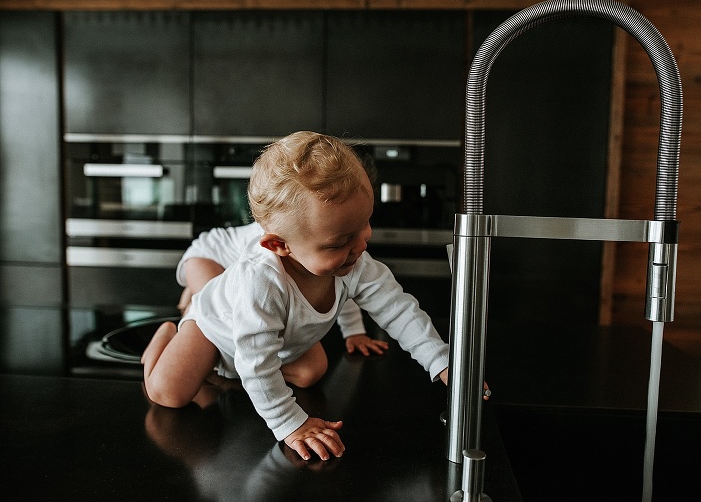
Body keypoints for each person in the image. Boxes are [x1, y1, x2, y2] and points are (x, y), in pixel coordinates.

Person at [142, 131, 472, 462]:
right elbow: (257, 361)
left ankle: (229, 376)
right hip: (215, 331)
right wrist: (290, 424)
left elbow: (398, 310)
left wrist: (441, 361)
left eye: (365, 225)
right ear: (278, 245)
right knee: (168, 394)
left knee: (313, 370)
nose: (361, 245)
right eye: (340, 241)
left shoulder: (353, 261)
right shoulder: (260, 281)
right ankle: (168, 336)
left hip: (271, 345)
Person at [175, 221, 389, 357]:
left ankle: (190, 294)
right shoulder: (265, 250)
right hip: (206, 256)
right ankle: (189, 311)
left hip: (231, 267)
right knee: (221, 323)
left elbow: (340, 280)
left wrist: (354, 332)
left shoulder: (310, 238)